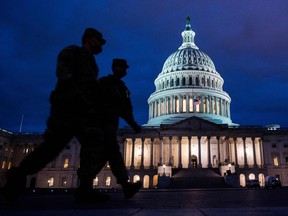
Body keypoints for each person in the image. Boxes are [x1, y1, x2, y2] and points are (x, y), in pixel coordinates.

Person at [3, 27, 108, 203]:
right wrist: (78, 96)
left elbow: (91, 89)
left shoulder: (92, 64)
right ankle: (17, 174)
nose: (100, 45)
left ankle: (85, 188)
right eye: (98, 41)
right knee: (51, 148)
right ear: (89, 39)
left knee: (98, 145)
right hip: (66, 108)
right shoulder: (72, 52)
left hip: (83, 113)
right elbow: (63, 75)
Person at [96, 58, 142, 199]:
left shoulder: (122, 87)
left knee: (110, 155)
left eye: (125, 68)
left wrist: (133, 123)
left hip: (110, 126)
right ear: (116, 68)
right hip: (98, 125)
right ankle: (125, 186)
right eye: (123, 68)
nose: (125, 71)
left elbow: (125, 109)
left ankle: (126, 185)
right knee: (104, 155)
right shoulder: (103, 83)